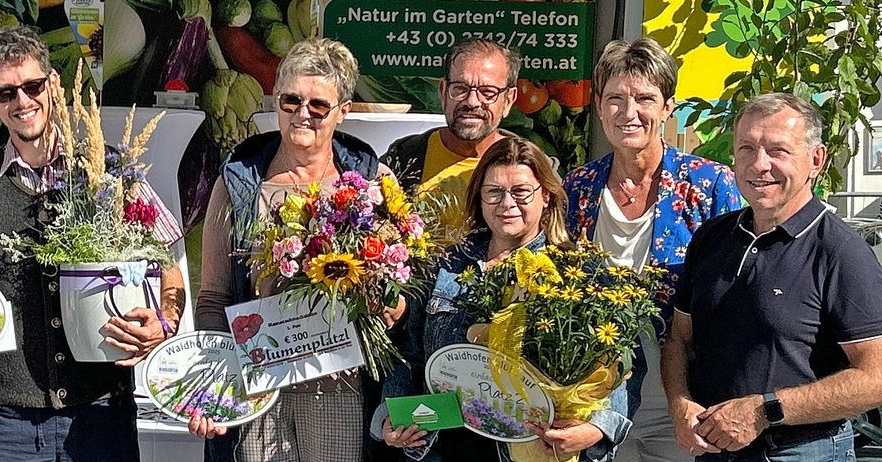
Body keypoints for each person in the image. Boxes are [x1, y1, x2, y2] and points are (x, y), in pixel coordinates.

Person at [0, 26, 185, 461]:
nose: (22, 102)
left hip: (100, 414)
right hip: (8, 424)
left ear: (54, 85)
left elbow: (167, 256)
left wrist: (165, 321)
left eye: (33, 86)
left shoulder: (110, 170)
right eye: (6, 93)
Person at [191, 37, 401, 462]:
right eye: (291, 100)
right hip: (258, 392)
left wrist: (385, 306)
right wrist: (215, 380)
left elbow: (395, 294)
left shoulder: (373, 183)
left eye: (318, 105)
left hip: (338, 389)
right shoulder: (237, 184)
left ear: (343, 110)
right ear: (276, 99)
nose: (303, 114)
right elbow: (214, 297)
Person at [373, 137, 631, 462]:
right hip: (447, 448)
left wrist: (597, 430)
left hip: (534, 450)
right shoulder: (447, 265)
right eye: (493, 192)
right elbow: (404, 347)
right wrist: (392, 414)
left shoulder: (577, 273)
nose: (507, 203)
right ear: (479, 198)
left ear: (547, 197)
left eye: (521, 192)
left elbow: (621, 363)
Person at [661, 92, 882, 461]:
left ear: (816, 159)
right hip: (712, 449)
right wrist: (680, 405)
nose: (759, 164)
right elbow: (680, 341)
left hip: (801, 451)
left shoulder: (840, 252)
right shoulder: (712, 238)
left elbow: (875, 377)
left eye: (777, 150)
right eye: (746, 148)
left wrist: (765, 411)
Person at [563, 38, 742, 462]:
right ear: (599, 106)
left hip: (683, 393)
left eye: (644, 99)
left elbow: (736, 289)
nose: (629, 113)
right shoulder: (577, 188)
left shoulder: (709, 183)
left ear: (667, 107)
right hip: (595, 393)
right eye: (615, 99)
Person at [383, 39, 549, 243]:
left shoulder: (528, 166)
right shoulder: (404, 157)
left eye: (488, 92)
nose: (472, 102)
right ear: (443, 92)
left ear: (509, 100)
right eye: (460, 89)